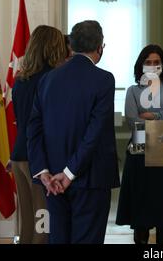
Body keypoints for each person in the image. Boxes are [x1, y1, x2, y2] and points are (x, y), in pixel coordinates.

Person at [27, 20, 120, 244]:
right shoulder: (104, 79)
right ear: (100, 47)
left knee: (58, 240)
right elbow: (94, 133)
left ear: (72, 46)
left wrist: (44, 172)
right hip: (90, 179)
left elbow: (33, 127)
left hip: (53, 183)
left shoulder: (48, 79)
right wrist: (69, 173)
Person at [116, 45, 163, 244]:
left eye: (156, 62)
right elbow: (134, 121)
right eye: (148, 62)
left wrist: (153, 115)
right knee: (141, 215)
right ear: (141, 66)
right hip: (140, 154)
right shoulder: (133, 90)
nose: (152, 66)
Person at [10, 25, 68, 244]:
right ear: (54, 47)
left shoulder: (20, 79)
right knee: (43, 225)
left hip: (18, 156)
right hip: (39, 160)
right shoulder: (52, 79)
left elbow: (20, 119)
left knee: (28, 223)